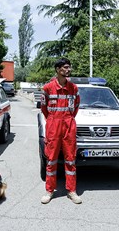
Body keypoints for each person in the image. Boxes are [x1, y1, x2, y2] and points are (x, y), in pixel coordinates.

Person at [40, 58, 81, 204]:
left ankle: (71, 190)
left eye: (69, 67)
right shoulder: (47, 88)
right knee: (51, 160)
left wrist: (68, 119)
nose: (68, 70)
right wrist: (53, 120)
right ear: (57, 70)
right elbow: (44, 109)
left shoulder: (74, 88)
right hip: (53, 125)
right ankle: (49, 191)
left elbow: (75, 107)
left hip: (69, 125)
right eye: (65, 67)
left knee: (70, 159)